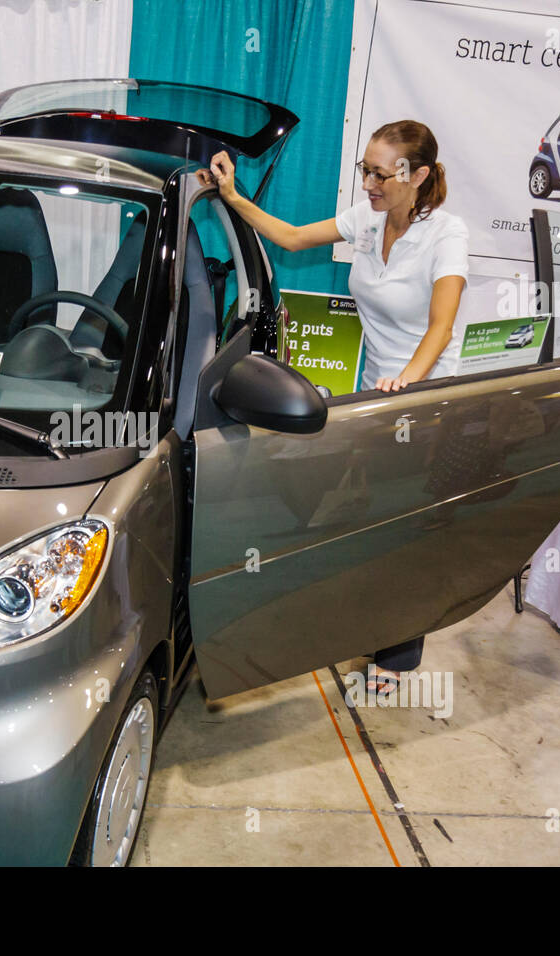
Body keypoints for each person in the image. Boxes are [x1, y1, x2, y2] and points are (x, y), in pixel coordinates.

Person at [197, 119, 469, 690]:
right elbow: (293, 238)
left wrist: (407, 384)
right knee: (369, 522)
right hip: (374, 393)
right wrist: (232, 196)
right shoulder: (367, 222)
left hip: (424, 397)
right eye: (364, 168)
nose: (368, 181)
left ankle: (395, 661)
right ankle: (359, 628)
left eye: (380, 172)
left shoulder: (446, 235)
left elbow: (441, 328)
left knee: (403, 530)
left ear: (416, 175)